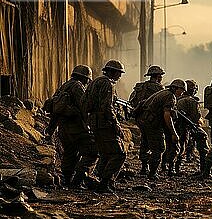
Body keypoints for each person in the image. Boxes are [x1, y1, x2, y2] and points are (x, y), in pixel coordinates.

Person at [45, 65, 97, 188]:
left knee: (69, 154)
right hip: (77, 128)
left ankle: (67, 181)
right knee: (92, 152)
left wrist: (50, 129)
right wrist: (90, 126)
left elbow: (56, 110)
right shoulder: (78, 87)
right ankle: (78, 180)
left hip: (63, 129)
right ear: (85, 78)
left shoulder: (63, 87)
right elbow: (84, 107)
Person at [83, 60, 126, 193]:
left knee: (105, 153)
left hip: (95, 122)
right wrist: (115, 124)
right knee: (119, 154)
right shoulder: (107, 83)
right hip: (104, 124)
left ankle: (100, 180)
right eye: (119, 73)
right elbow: (107, 107)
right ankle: (105, 182)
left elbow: (84, 103)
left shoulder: (95, 82)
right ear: (112, 72)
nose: (120, 76)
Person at [136, 79, 187, 179]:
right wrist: (174, 133)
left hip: (144, 121)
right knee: (159, 148)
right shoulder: (170, 96)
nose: (182, 93)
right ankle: (152, 173)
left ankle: (144, 169)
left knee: (145, 145)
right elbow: (167, 116)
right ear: (176, 88)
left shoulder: (163, 93)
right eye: (182, 90)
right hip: (152, 124)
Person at [129, 65, 165, 175]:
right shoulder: (159, 89)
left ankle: (144, 168)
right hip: (153, 121)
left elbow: (131, 101)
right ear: (158, 76)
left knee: (144, 142)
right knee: (158, 146)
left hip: (140, 120)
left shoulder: (139, 87)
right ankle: (153, 172)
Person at [168, 79, 209, 175]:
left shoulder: (175, 98)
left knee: (177, 147)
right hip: (185, 127)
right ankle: (204, 169)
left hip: (176, 126)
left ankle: (172, 168)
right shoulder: (191, 101)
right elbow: (196, 118)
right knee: (202, 142)